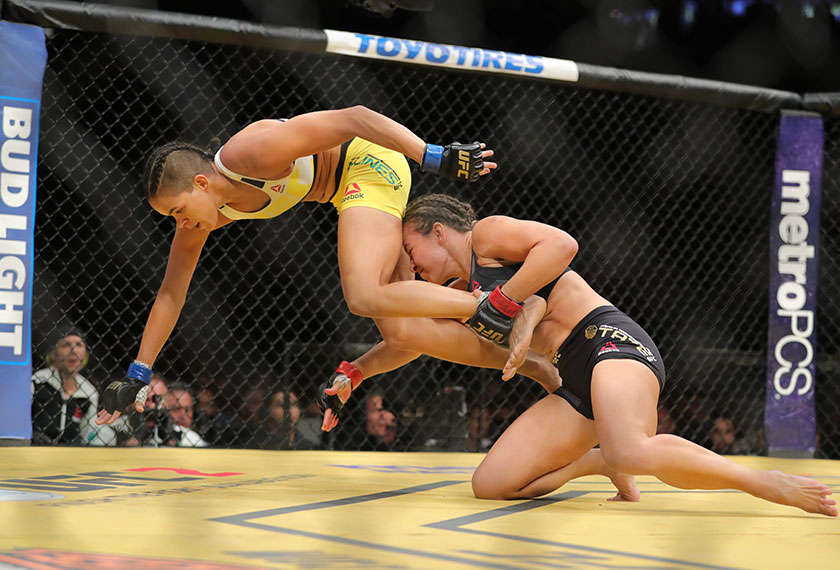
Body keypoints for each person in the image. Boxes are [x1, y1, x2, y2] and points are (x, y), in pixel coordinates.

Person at [339, 193, 838, 517]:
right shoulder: (458, 289)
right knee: (490, 485)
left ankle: (763, 482)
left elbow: (561, 245)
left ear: (437, 231)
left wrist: (511, 301)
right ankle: (592, 462)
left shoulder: (486, 237)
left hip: (610, 342)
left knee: (632, 450)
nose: (413, 265)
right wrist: (359, 368)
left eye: (411, 248)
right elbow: (410, 338)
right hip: (570, 379)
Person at [96, 104, 504, 425]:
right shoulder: (204, 218)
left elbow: (355, 118)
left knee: (363, 295)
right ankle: (528, 359)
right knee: (403, 332)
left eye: (178, 210)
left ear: (201, 183)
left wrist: (432, 156)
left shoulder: (248, 154)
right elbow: (171, 294)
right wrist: (139, 372)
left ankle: (489, 305)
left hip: (368, 160)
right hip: (346, 191)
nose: (180, 223)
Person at [31, 329, 100, 445]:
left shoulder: (89, 392)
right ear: (53, 354)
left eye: (79, 345)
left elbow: (89, 434)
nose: (73, 350)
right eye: (66, 345)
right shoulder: (37, 382)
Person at [252, 390, 319, 450]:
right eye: (280, 405)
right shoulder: (254, 445)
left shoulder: (311, 448)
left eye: (293, 404)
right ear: (268, 410)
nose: (288, 411)